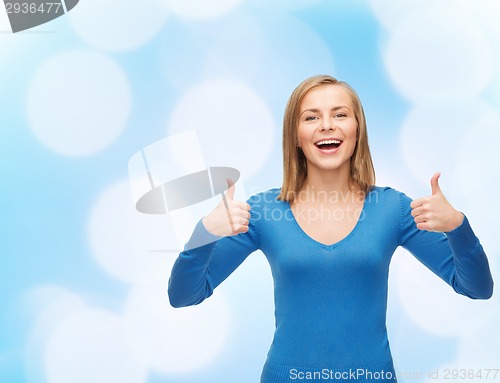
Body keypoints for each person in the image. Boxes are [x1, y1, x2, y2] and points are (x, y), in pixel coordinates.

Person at [167, 75, 494, 383]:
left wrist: (458, 228)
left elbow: (477, 288)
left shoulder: (392, 209)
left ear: (357, 130)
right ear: (296, 135)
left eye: (340, 114)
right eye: (311, 117)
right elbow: (184, 296)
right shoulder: (264, 212)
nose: (326, 125)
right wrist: (204, 233)